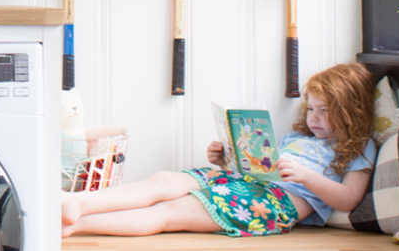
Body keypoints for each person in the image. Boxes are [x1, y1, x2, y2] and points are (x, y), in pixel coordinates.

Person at [60, 62, 377, 238]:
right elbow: (261, 167)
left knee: (171, 212)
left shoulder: (360, 148)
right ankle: (78, 202)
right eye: (312, 109)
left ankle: (75, 226)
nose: (314, 118)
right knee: (164, 181)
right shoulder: (299, 137)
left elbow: (348, 200)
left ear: (351, 111)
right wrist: (230, 157)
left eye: (325, 111)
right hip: (251, 183)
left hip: (274, 203)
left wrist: (307, 177)